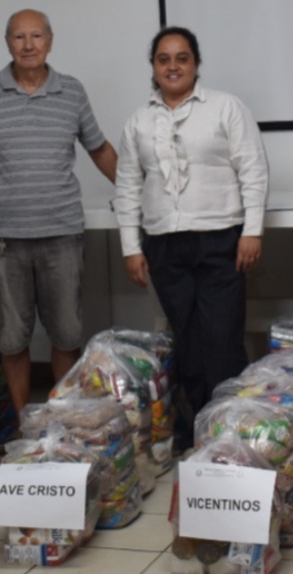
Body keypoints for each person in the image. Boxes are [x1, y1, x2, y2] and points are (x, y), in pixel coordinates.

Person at [0, 9, 117, 418]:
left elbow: (99, 149)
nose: (28, 45)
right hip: (4, 237)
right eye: (19, 37)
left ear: (50, 40)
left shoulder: (72, 92)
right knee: (12, 338)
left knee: (66, 334)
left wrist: (136, 191)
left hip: (62, 233)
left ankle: (59, 421)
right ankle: (22, 423)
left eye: (36, 36)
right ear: (7, 42)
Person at [114, 26, 268, 441]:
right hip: (164, 243)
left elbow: (252, 169)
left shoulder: (226, 107)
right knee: (185, 340)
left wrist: (252, 231)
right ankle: (197, 428)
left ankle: (230, 431)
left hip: (222, 239)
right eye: (164, 59)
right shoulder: (139, 121)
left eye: (182, 58)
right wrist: (131, 247)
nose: (173, 66)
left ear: (196, 63)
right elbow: (127, 185)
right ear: (153, 67)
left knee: (222, 339)